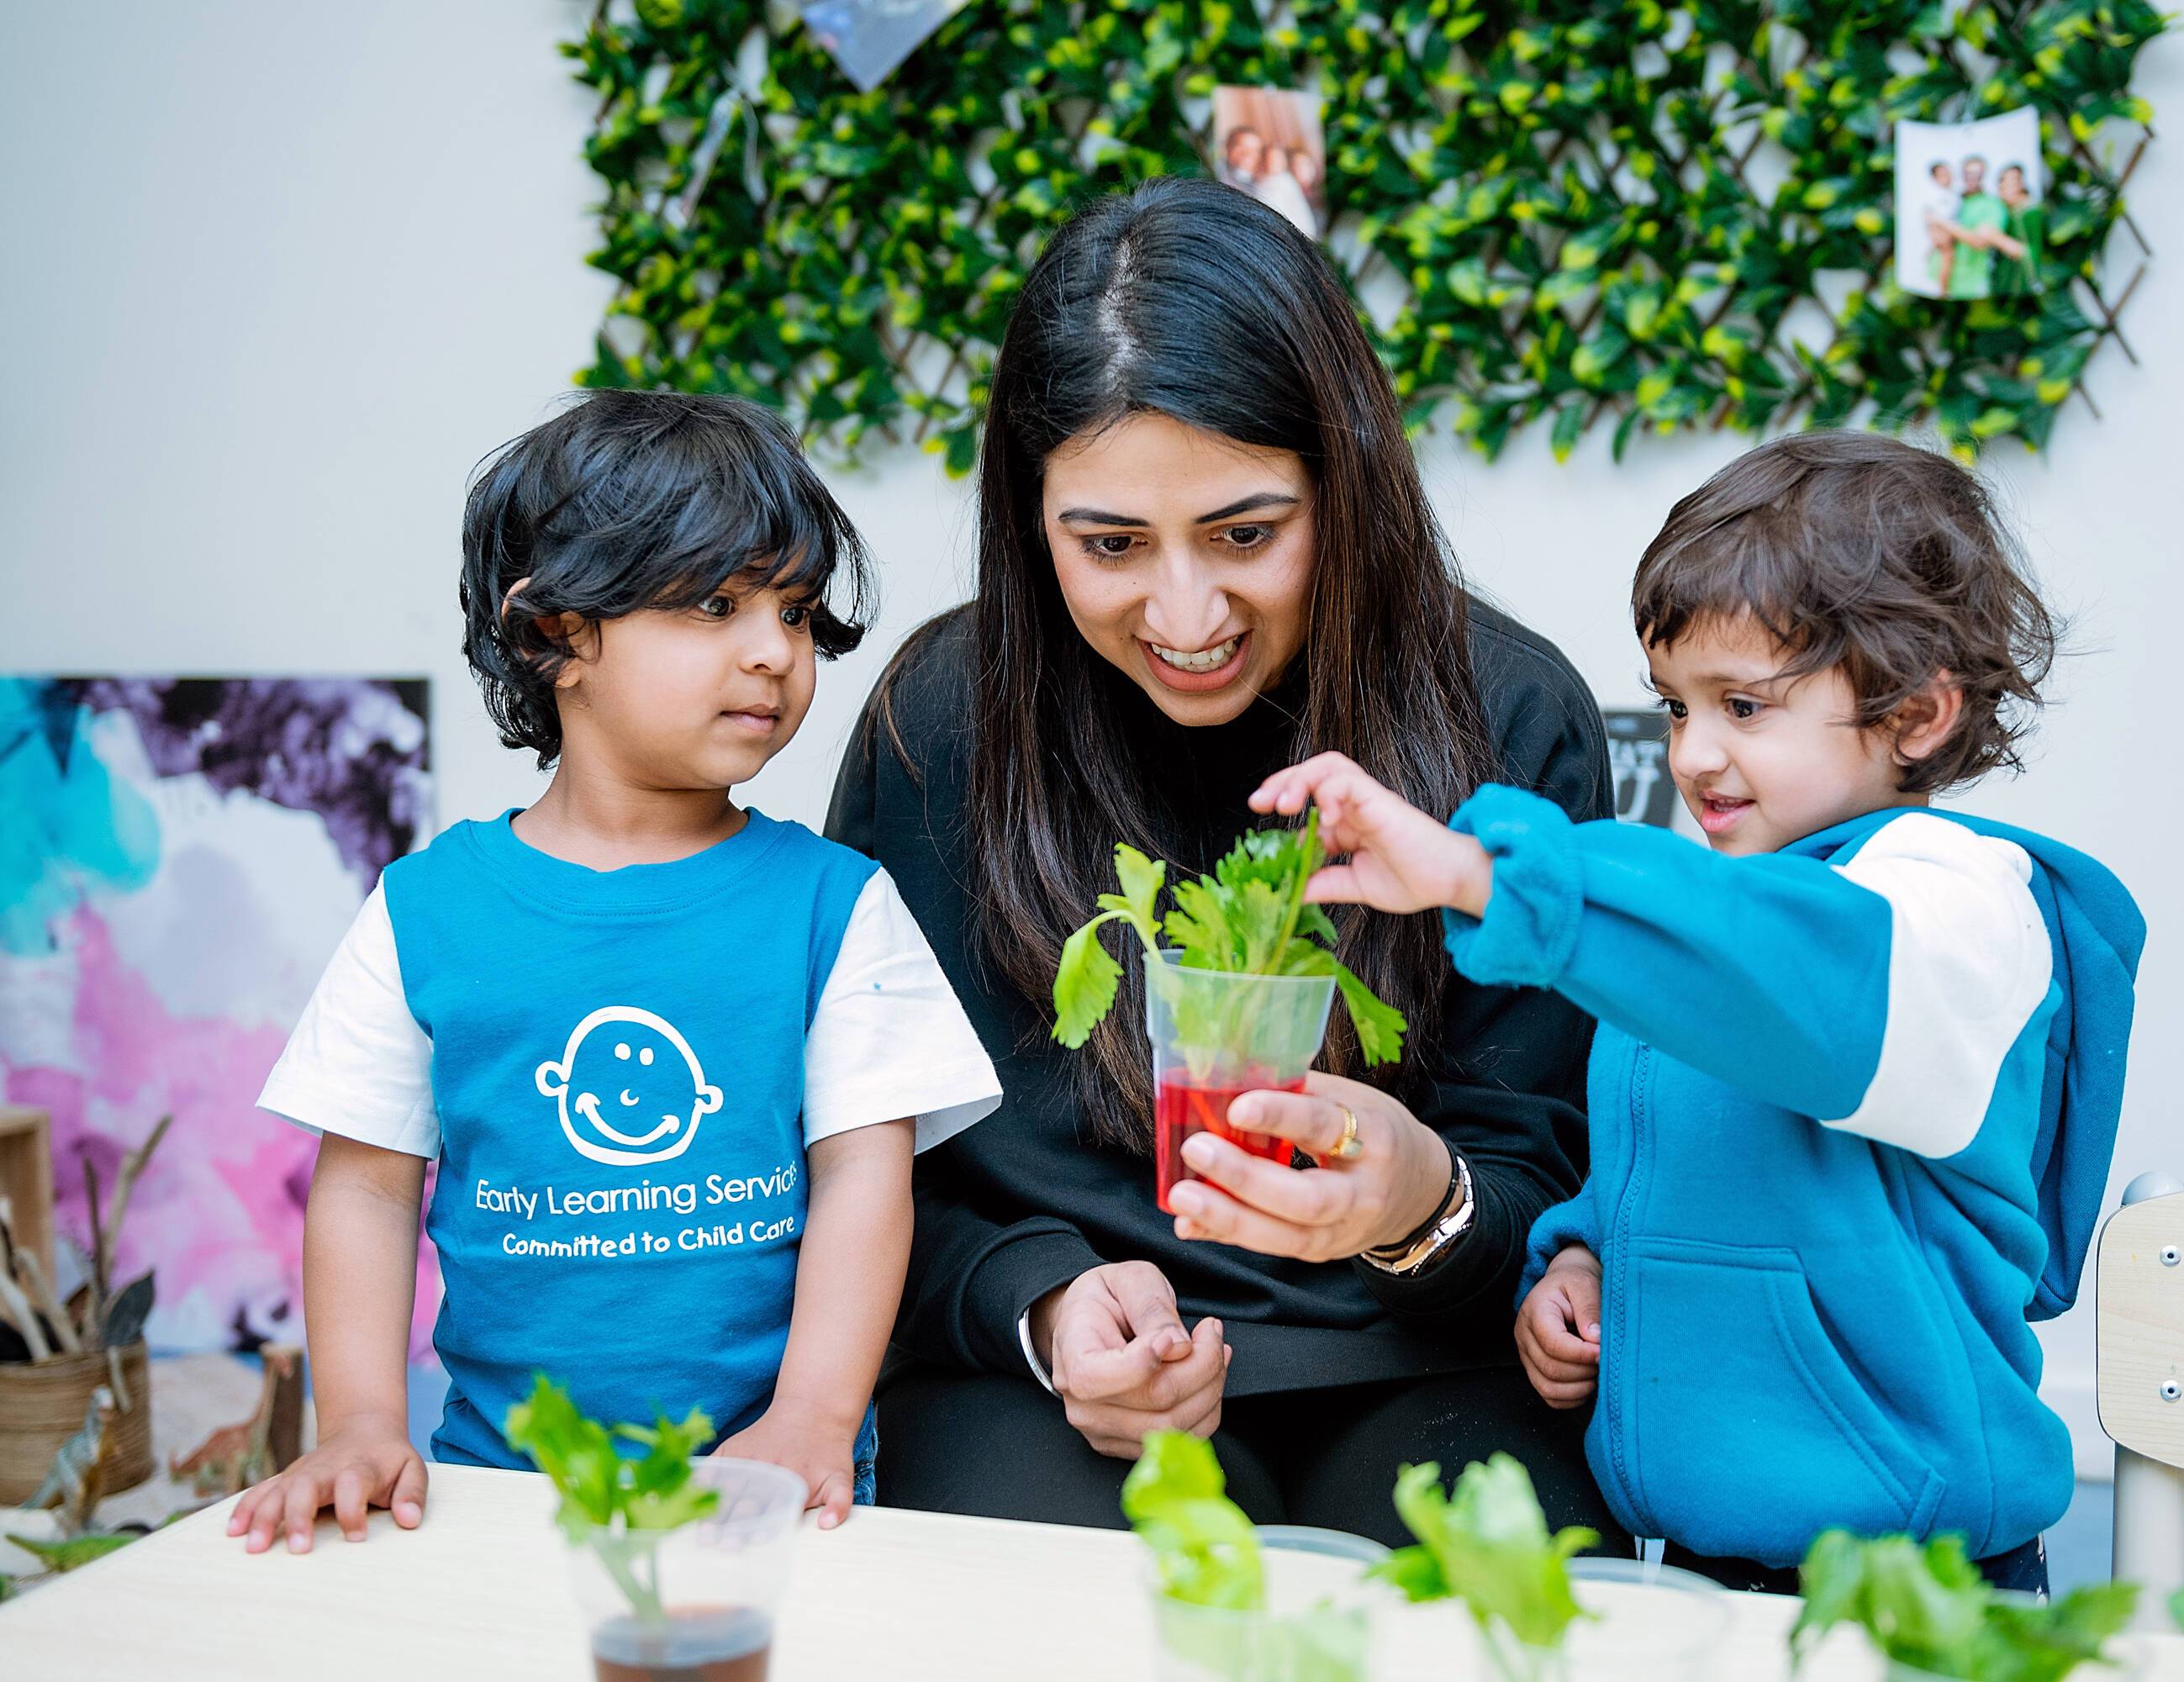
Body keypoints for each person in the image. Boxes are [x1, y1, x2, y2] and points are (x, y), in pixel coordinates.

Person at [827, 176, 1621, 1545]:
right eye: (1110, 545)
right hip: (1043, 1382)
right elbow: (873, 1155)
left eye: (1246, 534)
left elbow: (1548, 1172)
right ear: (1029, 518)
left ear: (1346, 477)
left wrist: (1424, 1200)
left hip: (1425, 1360)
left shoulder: (1507, 712)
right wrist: (1040, 1304)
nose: (1184, 613)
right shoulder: (938, 722)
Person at [1251, 430, 2143, 1594]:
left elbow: (1803, 995)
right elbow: (1680, 1150)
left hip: (1917, 1581)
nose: (1694, 754)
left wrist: (1486, 875)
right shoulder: (1703, 919)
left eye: (1743, 704)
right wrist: (1578, 1261)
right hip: (1701, 1559)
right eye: (1675, 706)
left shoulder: (1956, 909)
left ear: (1917, 716)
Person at [231, 389, 1002, 1554]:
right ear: (553, 634)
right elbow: (366, 1187)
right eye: (715, 602)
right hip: (501, 1494)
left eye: (794, 611)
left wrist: (811, 1416)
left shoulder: (836, 910)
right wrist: (359, 1421)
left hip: (775, 1494)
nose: (773, 651)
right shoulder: (423, 914)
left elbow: (862, 1180)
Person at [1946, 155, 2026, 300]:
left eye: (1976, 173)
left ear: (1983, 175)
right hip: (1945, 279)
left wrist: (1941, 223)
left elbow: (1979, 242)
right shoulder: (1956, 200)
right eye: (1967, 173)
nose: (1971, 177)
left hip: (1972, 284)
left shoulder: (1992, 204)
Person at [1995, 162, 2044, 298]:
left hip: (2026, 287)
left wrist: (2006, 243)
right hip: (2006, 284)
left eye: (2012, 181)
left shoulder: (2032, 211)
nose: (2005, 187)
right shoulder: (2006, 213)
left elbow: (2037, 251)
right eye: (2002, 182)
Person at [1252, 142, 1320, 239]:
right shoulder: (1258, 183)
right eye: (1270, 158)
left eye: (1277, 159)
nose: (1273, 162)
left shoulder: (1287, 182)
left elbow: (1300, 212)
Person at [1918, 158, 1960, 295]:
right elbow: (1929, 216)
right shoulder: (1933, 195)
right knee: (1947, 257)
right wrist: (1936, 234)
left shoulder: (1953, 194)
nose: (1947, 177)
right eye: (1942, 175)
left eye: (1948, 173)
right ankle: (1943, 290)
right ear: (1935, 178)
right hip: (1940, 231)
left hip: (1948, 231)